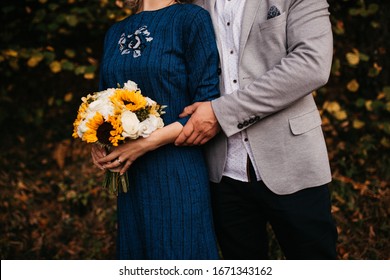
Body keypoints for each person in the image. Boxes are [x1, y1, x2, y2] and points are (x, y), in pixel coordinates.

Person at [175, 0, 338, 259]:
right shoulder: (194, 5)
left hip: (292, 162)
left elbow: (311, 65)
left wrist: (222, 113)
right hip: (221, 170)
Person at [91, 0, 220, 260]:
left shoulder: (191, 19)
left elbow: (209, 106)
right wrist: (98, 136)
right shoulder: (115, 31)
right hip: (131, 176)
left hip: (177, 169)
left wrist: (146, 143)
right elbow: (102, 98)